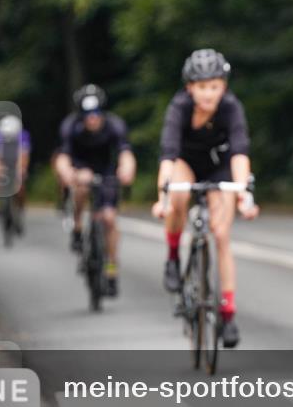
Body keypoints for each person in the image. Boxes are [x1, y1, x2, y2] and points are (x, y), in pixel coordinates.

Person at [151, 49, 259, 348]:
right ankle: (172, 257)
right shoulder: (179, 107)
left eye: (214, 86)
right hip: (186, 163)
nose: (208, 93)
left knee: (222, 234)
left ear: (223, 86)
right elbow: (169, 157)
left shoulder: (231, 107)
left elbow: (239, 153)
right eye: (201, 87)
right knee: (177, 199)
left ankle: (227, 313)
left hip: (219, 165)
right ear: (190, 88)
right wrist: (162, 197)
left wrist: (244, 197)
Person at [55, 85, 137, 297]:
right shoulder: (71, 127)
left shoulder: (114, 126)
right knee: (81, 189)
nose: (92, 119)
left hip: (107, 171)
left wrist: (126, 169)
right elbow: (63, 157)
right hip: (81, 168)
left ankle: (111, 270)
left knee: (109, 218)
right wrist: (67, 172)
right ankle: (78, 227)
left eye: (96, 114)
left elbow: (125, 153)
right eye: (87, 116)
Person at [0, 114, 31, 235]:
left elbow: (24, 156)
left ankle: (20, 209)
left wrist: (21, 170)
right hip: (2, 163)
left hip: (16, 163)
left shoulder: (23, 136)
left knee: (21, 186)